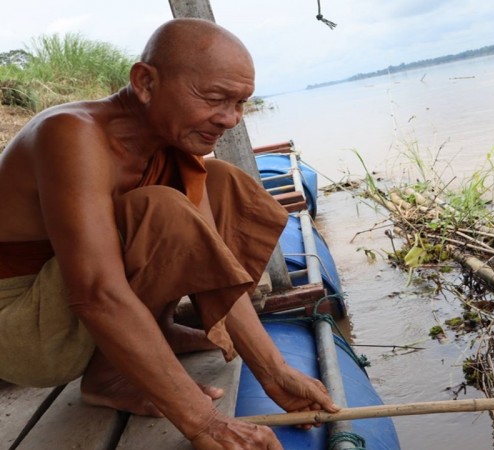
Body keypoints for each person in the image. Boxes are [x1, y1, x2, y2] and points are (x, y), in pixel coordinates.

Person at [0, 18, 338, 449]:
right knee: (161, 210)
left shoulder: (171, 141)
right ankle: (112, 374)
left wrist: (274, 372)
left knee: (222, 181)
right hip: (24, 333)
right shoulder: (71, 134)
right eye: (216, 99)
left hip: (65, 309)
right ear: (145, 82)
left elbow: (208, 255)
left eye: (240, 103)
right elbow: (96, 293)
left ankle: (148, 334)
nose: (231, 119)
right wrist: (206, 423)